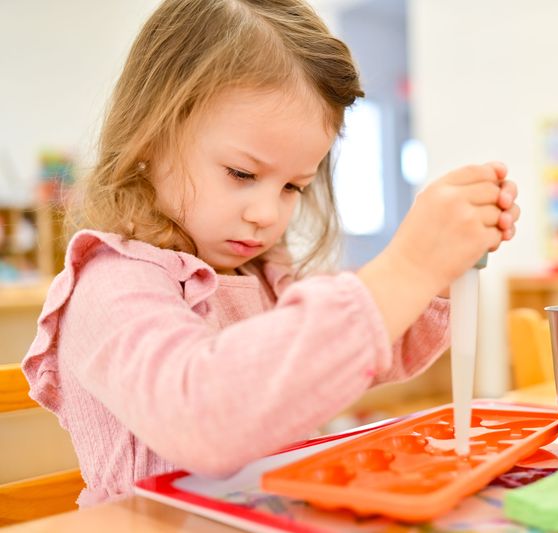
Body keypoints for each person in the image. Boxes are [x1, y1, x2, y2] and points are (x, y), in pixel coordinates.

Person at [22, 0, 520, 506]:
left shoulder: (261, 273)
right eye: (242, 174)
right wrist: (408, 265)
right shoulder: (112, 284)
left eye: (292, 187)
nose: (266, 213)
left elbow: (363, 347)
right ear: (152, 134)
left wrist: (437, 271)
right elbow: (203, 416)